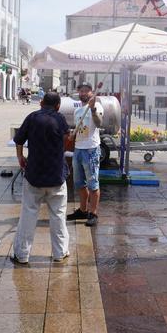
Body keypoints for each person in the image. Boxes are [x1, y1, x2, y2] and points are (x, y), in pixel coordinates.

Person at [12, 92, 71, 264]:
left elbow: (19, 140)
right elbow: (66, 140)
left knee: (28, 215)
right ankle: (60, 253)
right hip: (56, 176)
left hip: (34, 175)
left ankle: (22, 255)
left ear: (41, 103)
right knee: (58, 216)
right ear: (58, 106)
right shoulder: (60, 119)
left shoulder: (32, 117)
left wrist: (20, 157)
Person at [67, 82, 104, 227]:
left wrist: (93, 109)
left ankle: (93, 213)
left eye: (86, 91)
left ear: (91, 92)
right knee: (79, 183)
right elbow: (78, 129)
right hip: (78, 149)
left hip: (91, 149)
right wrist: (72, 135)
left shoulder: (97, 106)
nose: (83, 93)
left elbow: (99, 123)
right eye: (81, 91)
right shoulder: (78, 111)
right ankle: (82, 210)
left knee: (93, 183)